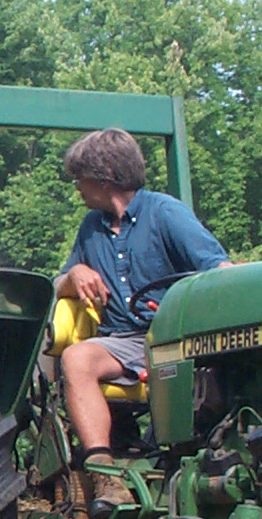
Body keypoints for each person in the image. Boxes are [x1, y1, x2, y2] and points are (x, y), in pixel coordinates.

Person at [53, 128, 231, 488]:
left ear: (104, 180)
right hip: (122, 342)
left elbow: (218, 270)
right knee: (76, 359)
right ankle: (105, 474)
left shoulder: (166, 213)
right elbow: (56, 284)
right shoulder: (91, 228)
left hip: (174, 340)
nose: (77, 188)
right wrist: (75, 273)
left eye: (80, 179)